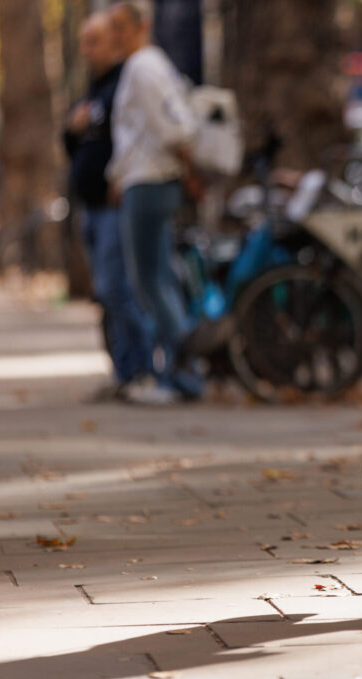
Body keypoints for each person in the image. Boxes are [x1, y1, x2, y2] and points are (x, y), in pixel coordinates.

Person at [107, 1, 202, 405]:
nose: (114, 35)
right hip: (151, 180)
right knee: (161, 278)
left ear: (141, 26)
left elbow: (171, 127)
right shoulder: (154, 64)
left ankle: (179, 377)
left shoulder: (143, 67)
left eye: (120, 26)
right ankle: (180, 372)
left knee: (150, 282)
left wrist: (188, 169)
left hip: (148, 182)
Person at [64, 13, 154, 402]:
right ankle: (123, 371)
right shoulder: (92, 89)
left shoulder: (126, 81)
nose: (89, 49)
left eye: (95, 40)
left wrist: (121, 176)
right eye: (85, 41)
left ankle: (146, 370)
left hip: (115, 204)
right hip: (90, 206)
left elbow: (137, 135)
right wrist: (72, 130)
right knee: (106, 294)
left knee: (118, 289)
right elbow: (75, 146)